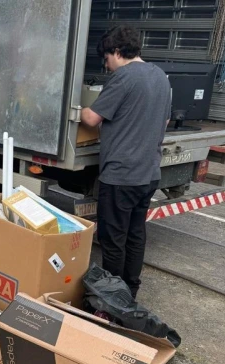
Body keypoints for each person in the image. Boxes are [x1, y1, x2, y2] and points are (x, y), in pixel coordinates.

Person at [81, 25, 171, 298]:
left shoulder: (123, 77)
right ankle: (130, 291)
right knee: (135, 234)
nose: (107, 66)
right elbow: (165, 120)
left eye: (107, 59)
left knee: (112, 239)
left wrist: (79, 108)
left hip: (121, 175)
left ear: (118, 52)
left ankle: (112, 297)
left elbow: (92, 119)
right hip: (148, 174)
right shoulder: (160, 76)